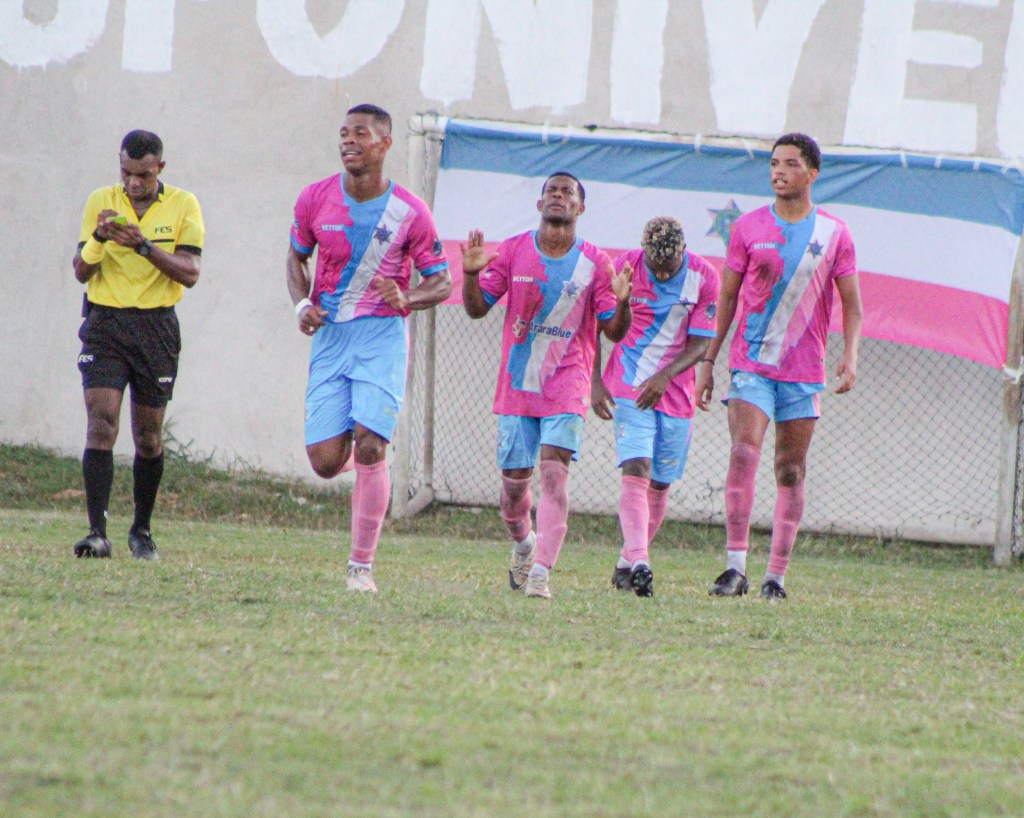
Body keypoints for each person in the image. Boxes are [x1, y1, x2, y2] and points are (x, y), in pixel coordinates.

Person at [287, 103, 451, 593]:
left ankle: (361, 567)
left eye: (360, 133)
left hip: (381, 336)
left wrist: (408, 297)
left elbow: (441, 282)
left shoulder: (410, 212)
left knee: (372, 444)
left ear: (384, 144)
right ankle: (361, 458)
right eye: (344, 133)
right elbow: (296, 257)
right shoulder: (315, 198)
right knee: (324, 462)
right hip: (332, 336)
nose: (348, 141)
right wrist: (302, 305)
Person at [695, 132, 863, 600]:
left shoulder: (834, 233)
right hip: (751, 364)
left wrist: (850, 354)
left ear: (812, 173)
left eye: (790, 164)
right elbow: (727, 299)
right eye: (773, 163)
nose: (778, 172)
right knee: (743, 452)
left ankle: (776, 578)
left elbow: (853, 306)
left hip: (803, 371)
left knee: (789, 470)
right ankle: (735, 568)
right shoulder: (748, 228)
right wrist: (708, 361)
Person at [461, 172, 633, 600]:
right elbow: (477, 309)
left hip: (567, 385)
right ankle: (524, 544)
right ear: (539, 205)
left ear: (580, 208)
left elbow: (613, 331)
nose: (558, 196)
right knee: (513, 489)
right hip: (518, 386)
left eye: (567, 192)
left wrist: (623, 302)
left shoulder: (596, 263)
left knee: (555, 476)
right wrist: (470, 276)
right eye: (551, 191)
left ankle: (540, 573)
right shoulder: (514, 250)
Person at [72, 129, 205, 561]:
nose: (133, 182)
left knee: (148, 437)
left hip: (155, 328)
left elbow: (190, 272)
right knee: (101, 422)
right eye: (126, 172)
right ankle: (97, 533)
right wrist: (100, 238)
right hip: (106, 323)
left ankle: (141, 530)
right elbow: (80, 271)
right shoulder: (101, 201)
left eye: (143, 175)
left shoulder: (183, 204)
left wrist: (143, 246)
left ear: (159, 168)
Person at [591, 216, 720, 598]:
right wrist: (595, 380)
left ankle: (626, 562)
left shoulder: (704, 277)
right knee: (637, 469)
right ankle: (642, 563)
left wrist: (666, 376)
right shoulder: (624, 268)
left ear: (684, 251)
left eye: (669, 266)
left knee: (661, 483)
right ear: (643, 252)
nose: (662, 274)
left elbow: (702, 342)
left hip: (675, 392)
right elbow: (595, 323)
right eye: (655, 265)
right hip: (629, 383)